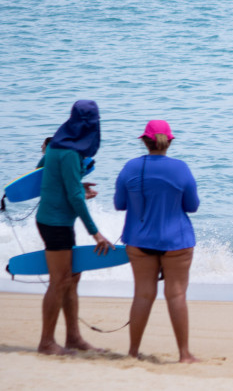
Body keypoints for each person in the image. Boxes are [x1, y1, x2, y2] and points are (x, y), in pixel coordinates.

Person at [114, 120, 200, 363]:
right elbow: (192, 206)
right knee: (176, 295)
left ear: (144, 141)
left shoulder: (130, 167)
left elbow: (119, 204)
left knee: (142, 294)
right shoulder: (181, 168)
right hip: (177, 241)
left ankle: (132, 352)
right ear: (169, 141)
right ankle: (184, 354)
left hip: (139, 240)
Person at [35, 100, 112, 355]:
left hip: (56, 219)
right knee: (59, 281)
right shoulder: (69, 152)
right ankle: (47, 342)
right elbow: (74, 197)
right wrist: (96, 233)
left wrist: (78, 185)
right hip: (54, 222)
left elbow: (41, 173)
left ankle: (73, 338)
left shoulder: (58, 144)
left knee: (72, 278)